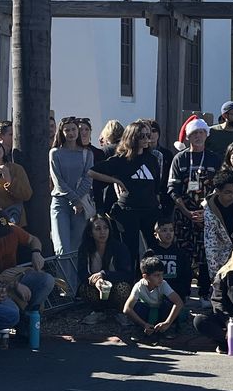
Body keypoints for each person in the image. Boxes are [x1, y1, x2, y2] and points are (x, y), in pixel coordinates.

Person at [91, 120, 161, 272]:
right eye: (142, 136)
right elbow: (92, 172)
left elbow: (156, 187)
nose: (146, 139)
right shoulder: (121, 159)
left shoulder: (152, 159)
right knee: (130, 251)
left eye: (148, 135)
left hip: (150, 210)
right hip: (128, 211)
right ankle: (128, 281)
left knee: (152, 250)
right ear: (132, 137)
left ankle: (150, 281)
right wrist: (115, 180)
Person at [169, 116, 222, 306]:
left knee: (206, 254)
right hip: (183, 216)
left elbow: (220, 188)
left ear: (206, 135)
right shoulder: (180, 159)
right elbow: (172, 189)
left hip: (208, 214)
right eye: (194, 133)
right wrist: (186, 211)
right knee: (184, 255)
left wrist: (206, 211)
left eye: (201, 132)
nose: (198, 136)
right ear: (188, 137)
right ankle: (182, 292)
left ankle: (205, 292)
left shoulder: (215, 159)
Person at [0, 206, 57, 316]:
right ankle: (21, 314)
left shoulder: (13, 230)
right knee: (12, 312)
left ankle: (29, 315)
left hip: (15, 277)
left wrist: (36, 253)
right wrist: (14, 285)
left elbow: (33, 240)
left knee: (47, 280)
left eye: (4, 232)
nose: (1, 238)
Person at [49, 116, 95, 294]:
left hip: (81, 204)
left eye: (73, 129)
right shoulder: (55, 153)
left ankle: (75, 290)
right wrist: (74, 199)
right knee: (62, 248)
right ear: (61, 132)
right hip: (60, 203)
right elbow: (58, 181)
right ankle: (64, 290)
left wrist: (78, 200)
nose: (70, 133)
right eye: (67, 130)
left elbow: (88, 178)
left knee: (76, 248)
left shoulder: (87, 153)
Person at [78, 214, 133, 326]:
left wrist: (104, 274)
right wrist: (96, 281)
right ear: (90, 232)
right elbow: (82, 273)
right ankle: (98, 312)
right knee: (84, 288)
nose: (102, 232)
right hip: (96, 287)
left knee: (123, 287)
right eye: (98, 229)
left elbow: (127, 274)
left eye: (105, 228)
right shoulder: (85, 248)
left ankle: (121, 312)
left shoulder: (119, 247)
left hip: (115, 287)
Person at [202, 169, 233, 284]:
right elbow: (211, 245)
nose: (232, 195)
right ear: (218, 191)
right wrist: (215, 277)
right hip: (221, 253)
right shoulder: (210, 211)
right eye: (228, 192)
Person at [125, 256, 186, 344]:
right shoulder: (139, 286)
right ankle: (140, 329)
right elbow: (127, 308)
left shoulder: (163, 284)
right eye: (157, 275)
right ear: (145, 276)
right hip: (147, 313)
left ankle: (168, 328)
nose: (161, 278)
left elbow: (179, 302)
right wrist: (143, 324)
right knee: (137, 306)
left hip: (161, 313)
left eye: (162, 274)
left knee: (168, 304)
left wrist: (167, 322)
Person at [143, 217, 195, 301]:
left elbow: (186, 274)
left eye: (171, 230)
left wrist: (184, 292)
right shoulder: (150, 253)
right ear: (156, 235)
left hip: (176, 292)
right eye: (164, 230)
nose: (168, 233)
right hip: (155, 292)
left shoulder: (180, 253)